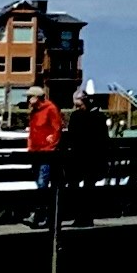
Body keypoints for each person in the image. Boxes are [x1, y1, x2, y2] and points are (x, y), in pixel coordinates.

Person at [53, 87, 113, 226]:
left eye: (78, 104)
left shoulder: (81, 117)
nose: (77, 107)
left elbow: (73, 137)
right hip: (87, 158)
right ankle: (83, 216)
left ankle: (82, 216)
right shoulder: (97, 117)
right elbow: (104, 140)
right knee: (85, 187)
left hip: (84, 158)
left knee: (84, 186)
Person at [24, 86, 66, 226]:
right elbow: (33, 132)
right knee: (38, 182)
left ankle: (39, 215)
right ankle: (42, 214)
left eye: (30, 97)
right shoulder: (34, 112)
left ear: (38, 97)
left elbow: (57, 129)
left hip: (47, 154)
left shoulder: (51, 109)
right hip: (36, 153)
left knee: (42, 184)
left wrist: (50, 146)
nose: (28, 100)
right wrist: (30, 147)